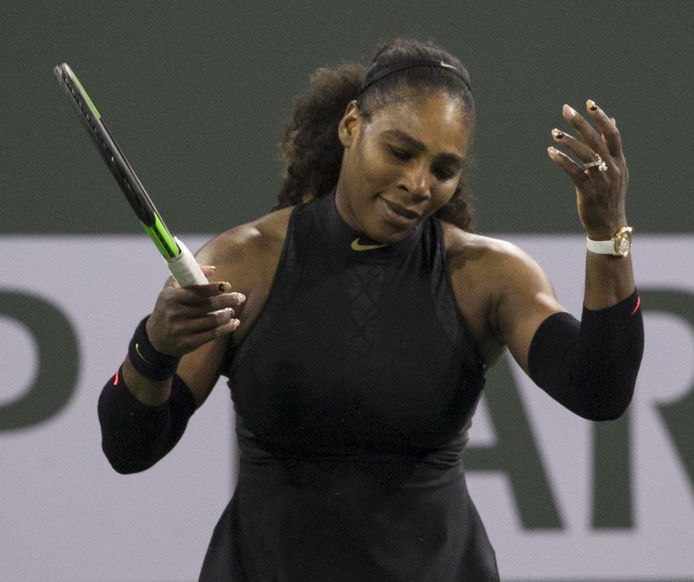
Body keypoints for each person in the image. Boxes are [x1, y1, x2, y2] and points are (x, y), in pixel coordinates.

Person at [97, 38, 644, 582]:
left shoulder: (489, 275)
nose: (418, 184)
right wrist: (154, 347)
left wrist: (605, 237)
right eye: (401, 152)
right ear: (351, 126)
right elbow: (131, 447)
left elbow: (598, 389)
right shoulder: (247, 262)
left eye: (444, 168)